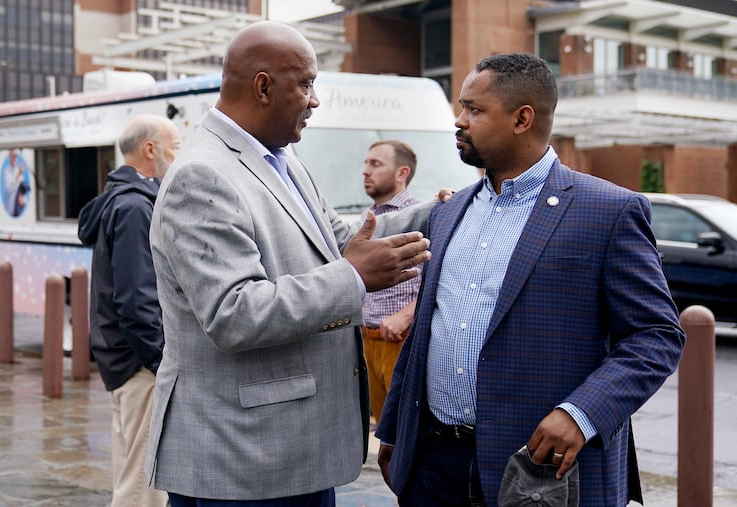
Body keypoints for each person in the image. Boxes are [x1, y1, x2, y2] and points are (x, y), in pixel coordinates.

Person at [375, 53, 686, 506]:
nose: (458, 122)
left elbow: (655, 336)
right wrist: (394, 432)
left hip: (540, 473)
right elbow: (428, 329)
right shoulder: (448, 211)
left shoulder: (608, 210)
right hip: (433, 465)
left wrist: (580, 415)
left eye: (474, 110)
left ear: (522, 118)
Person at [144, 20, 433, 506]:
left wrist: (445, 209)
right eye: (306, 83)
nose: (315, 99)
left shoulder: (281, 159)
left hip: (288, 453)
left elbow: (340, 239)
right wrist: (354, 279)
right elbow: (234, 313)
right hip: (245, 462)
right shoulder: (203, 175)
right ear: (263, 87)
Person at [78, 113, 181, 507]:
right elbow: (137, 300)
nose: (179, 155)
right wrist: (160, 361)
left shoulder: (120, 201)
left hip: (122, 359)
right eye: (175, 147)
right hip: (139, 364)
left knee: (135, 473)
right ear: (150, 149)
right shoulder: (136, 208)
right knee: (143, 484)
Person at [360, 140, 421, 426]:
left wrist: (405, 316)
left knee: (404, 435)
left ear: (402, 173)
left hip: (400, 343)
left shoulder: (420, 215)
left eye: (375, 164)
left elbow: (443, 279)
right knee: (384, 438)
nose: (365, 171)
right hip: (366, 343)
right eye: (365, 163)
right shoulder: (367, 218)